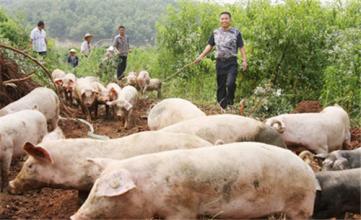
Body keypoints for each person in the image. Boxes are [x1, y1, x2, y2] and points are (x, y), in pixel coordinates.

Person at [195, 11, 247, 110]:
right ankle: (222, 107)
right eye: (222, 19)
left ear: (230, 20)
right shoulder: (215, 32)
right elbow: (210, 45)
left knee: (230, 83)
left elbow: (241, 47)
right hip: (220, 62)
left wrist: (244, 60)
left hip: (231, 62)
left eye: (226, 18)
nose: (224, 20)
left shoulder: (236, 32)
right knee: (221, 85)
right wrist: (201, 56)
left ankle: (230, 103)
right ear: (220, 20)